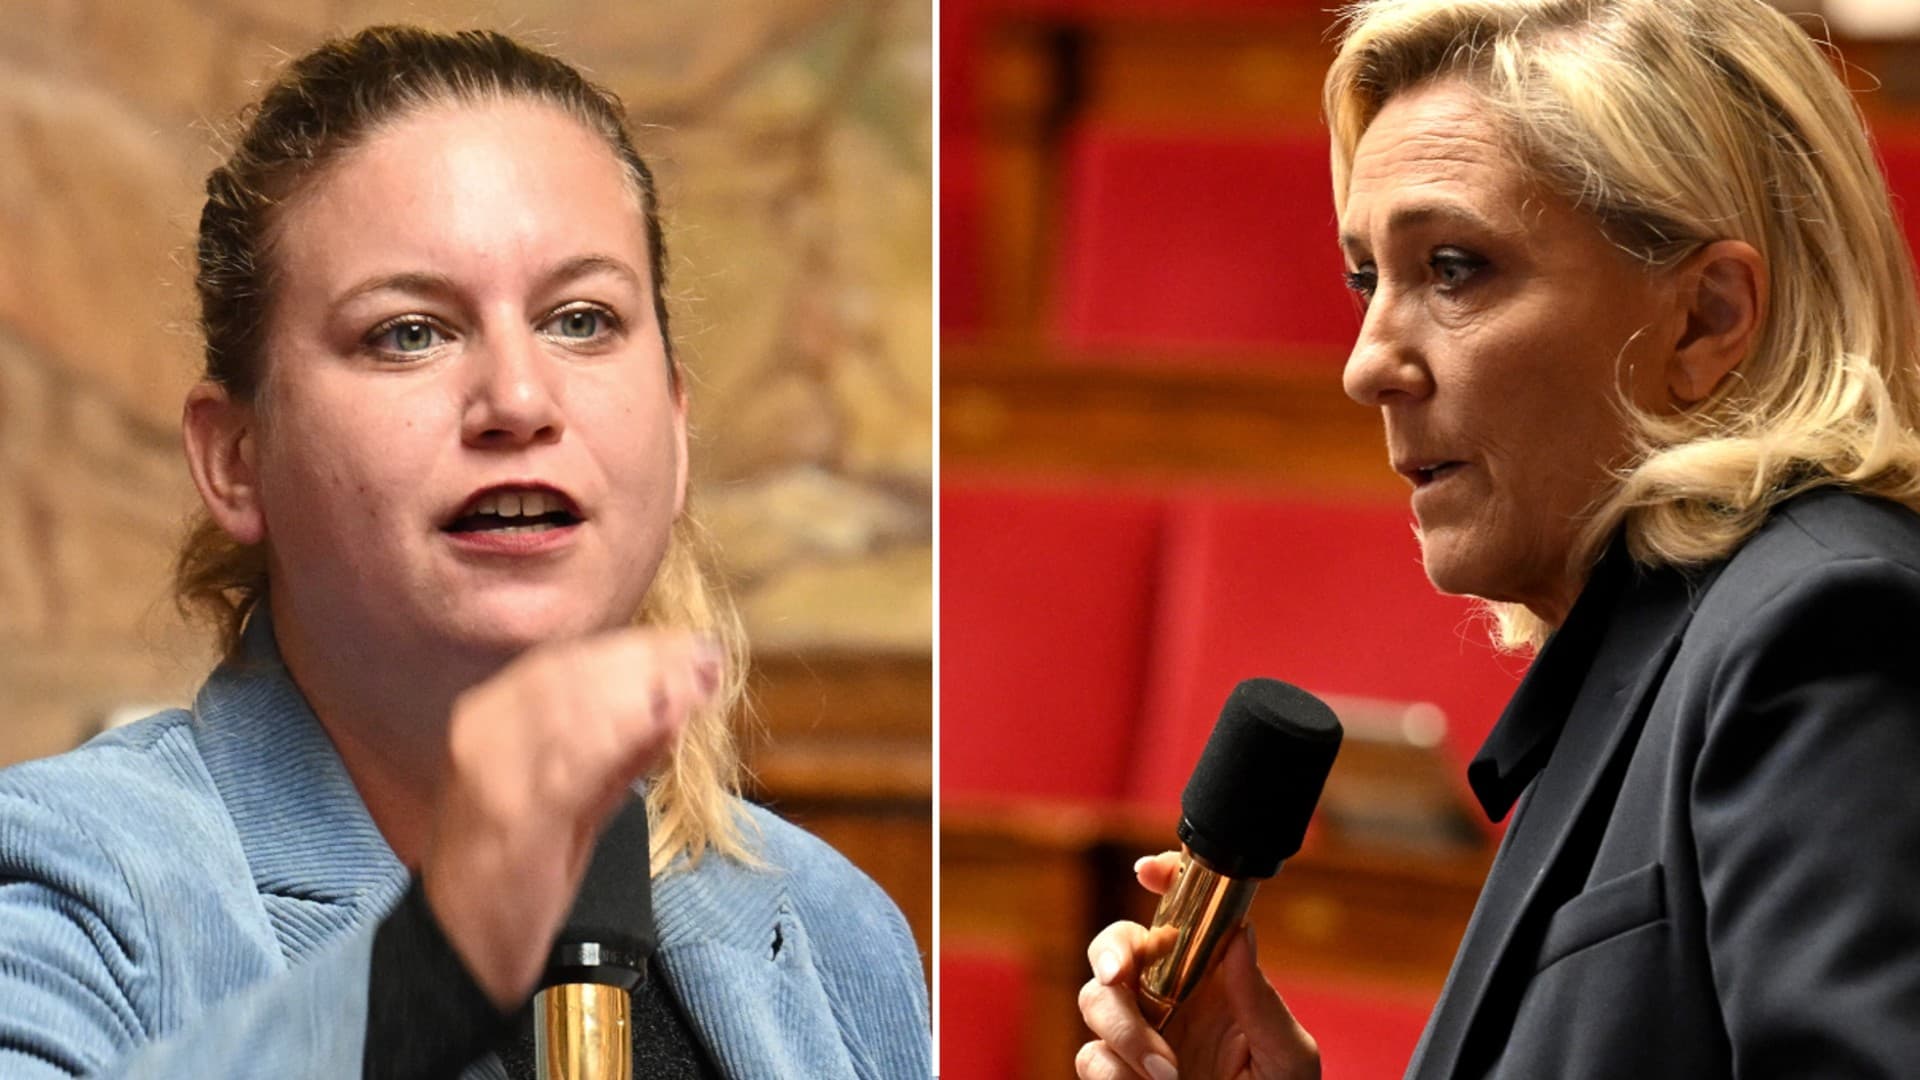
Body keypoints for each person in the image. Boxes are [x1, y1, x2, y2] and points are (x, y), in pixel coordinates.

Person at [0, 25, 929, 1079]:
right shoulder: (70, 879)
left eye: (581, 320)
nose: (519, 401)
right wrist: (433, 969)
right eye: (408, 333)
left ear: (674, 431)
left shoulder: (831, 932)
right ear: (236, 460)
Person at [1076, 0, 1920, 1076]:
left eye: (1454, 268)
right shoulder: (1653, 661)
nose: (1366, 362)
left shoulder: (1821, 631)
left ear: (1707, 318)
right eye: (1364, 278)